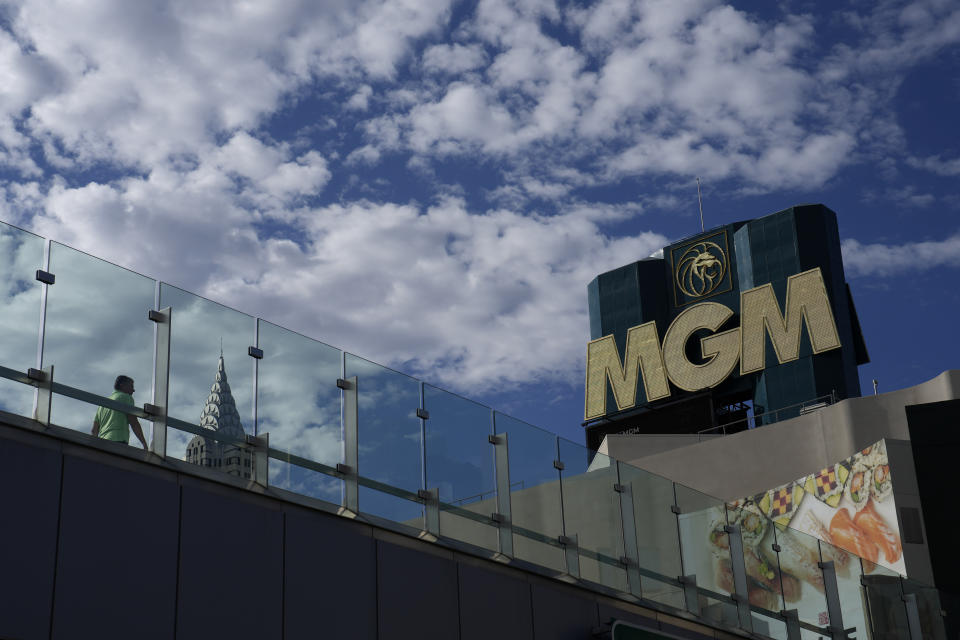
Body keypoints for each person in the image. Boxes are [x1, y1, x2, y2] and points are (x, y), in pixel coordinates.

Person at [91, 375, 148, 450]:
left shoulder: (103, 404)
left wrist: (94, 448)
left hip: (102, 444)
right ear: (122, 385)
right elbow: (134, 423)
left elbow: (94, 430)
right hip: (118, 440)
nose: (133, 390)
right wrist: (144, 443)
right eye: (131, 386)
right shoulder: (126, 397)